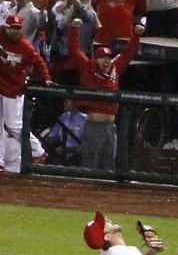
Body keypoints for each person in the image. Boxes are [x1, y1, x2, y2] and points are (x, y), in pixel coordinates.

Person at [68, 18, 142, 170]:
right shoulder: (88, 68)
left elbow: (127, 54)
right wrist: (74, 31)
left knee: (109, 164)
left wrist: (136, 36)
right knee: (90, 165)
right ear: (96, 59)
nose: (106, 61)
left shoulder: (115, 69)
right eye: (102, 58)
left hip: (110, 126)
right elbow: (75, 51)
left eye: (108, 57)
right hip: (94, 124)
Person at [0, 14, 53, 173]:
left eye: (18, 28)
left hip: (14, 89)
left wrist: (46, 77)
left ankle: (38, 151)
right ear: (6, 27)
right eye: (13, 28)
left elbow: (39, 62)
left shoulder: (25, 47)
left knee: (13, 124)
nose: (16, 31)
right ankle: (0, 161)